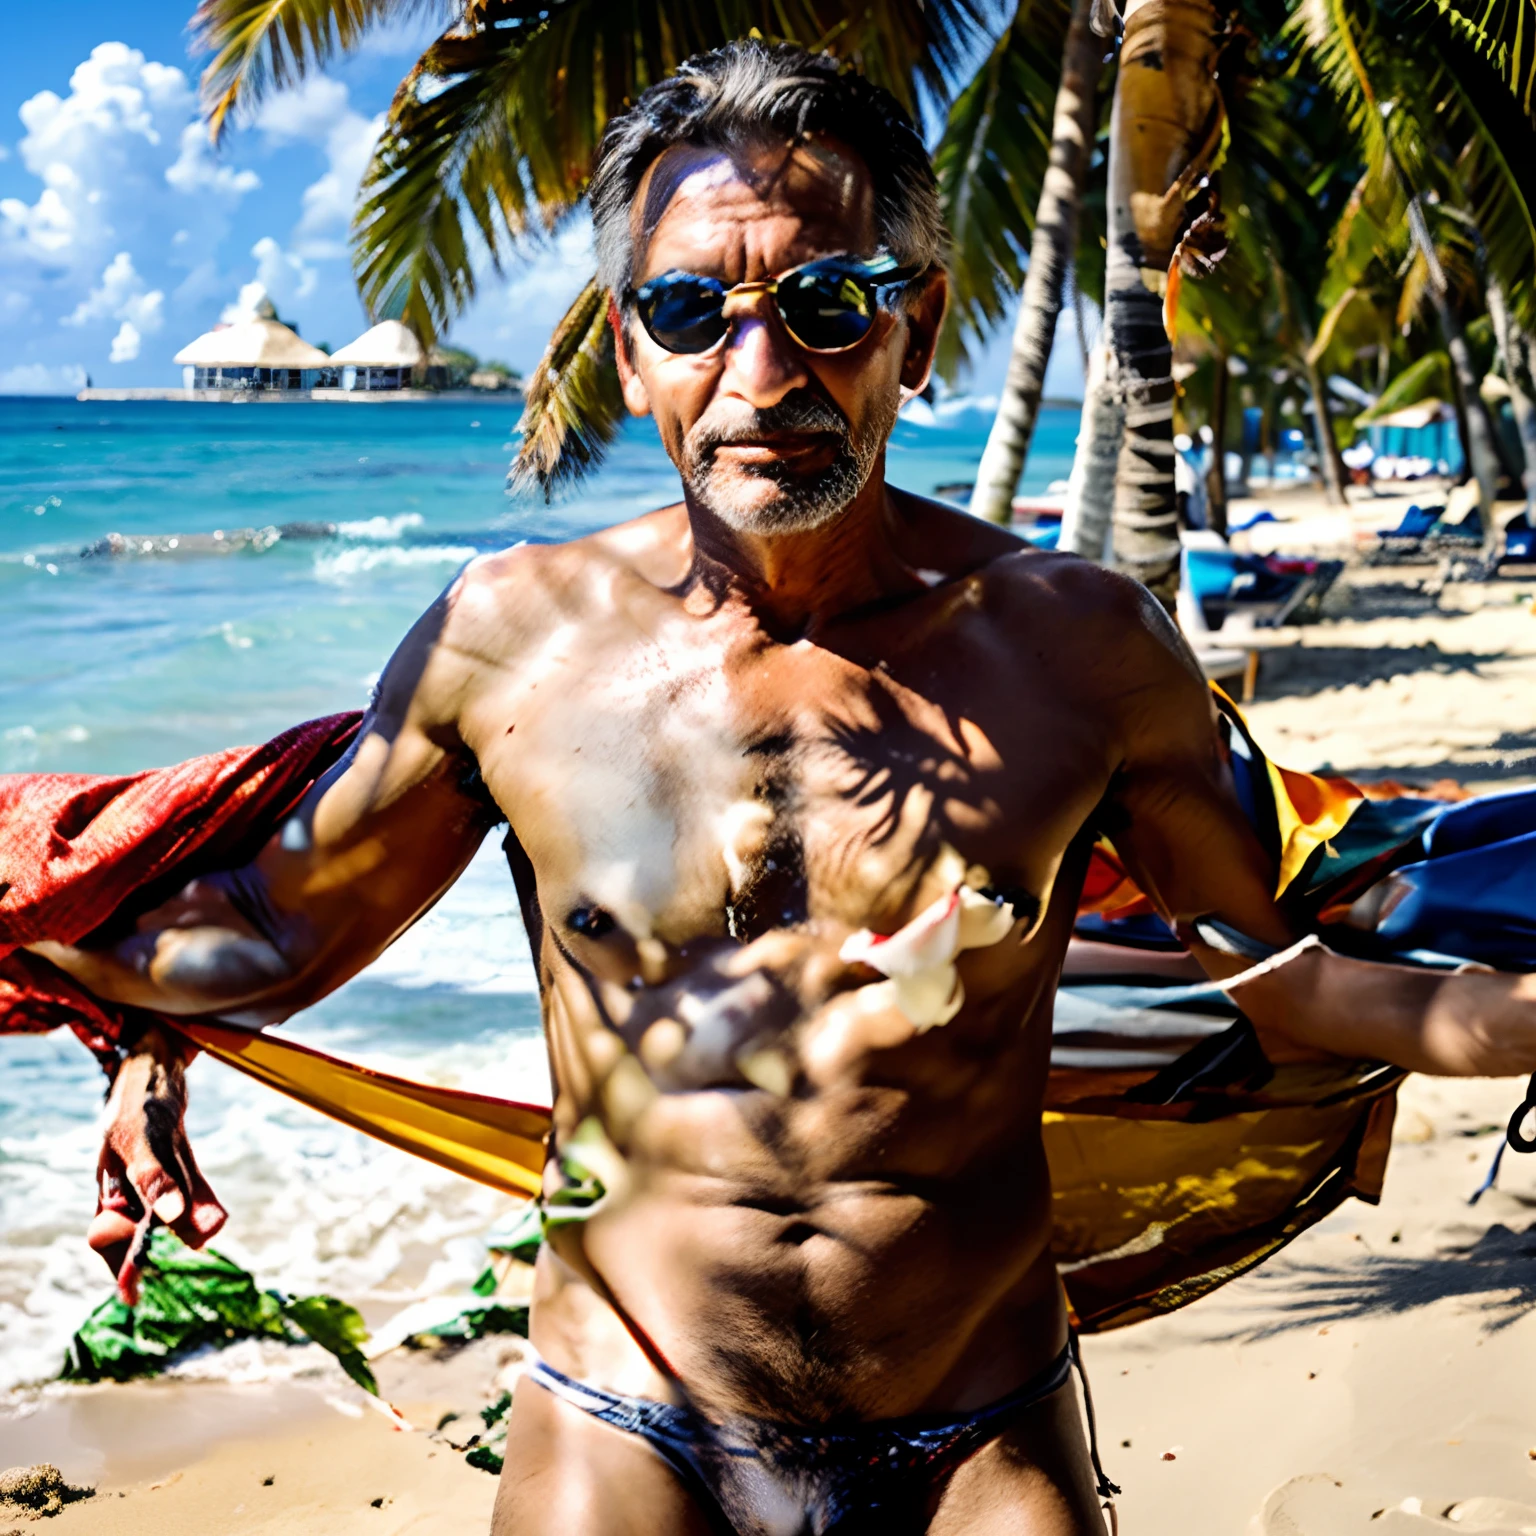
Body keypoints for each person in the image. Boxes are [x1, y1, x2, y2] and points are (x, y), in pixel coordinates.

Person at [21, 42, 1536, 1536]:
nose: (761, 375)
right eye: (693, 311)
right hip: (627, 1412)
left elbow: (1292, 990)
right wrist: (136, 1025)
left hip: (978, 1423)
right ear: (629, 348)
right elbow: (274, 930)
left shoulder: (1078, 653)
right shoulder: (510, 646)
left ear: (918, 322)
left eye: (824, 303)